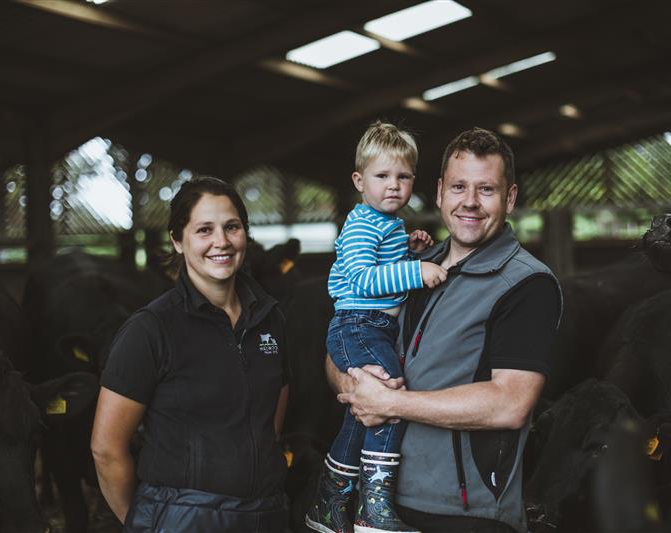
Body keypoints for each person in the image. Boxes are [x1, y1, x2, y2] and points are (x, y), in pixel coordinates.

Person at [331, 127, 562, 533]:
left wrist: (390, 403)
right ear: (439, 192)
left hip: (464, 515)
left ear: (510, 198)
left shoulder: (527, 284)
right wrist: (357, 385)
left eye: (486, 189)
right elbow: (342, 342)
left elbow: (510, 403)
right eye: (458, 187)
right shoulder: (411, 269)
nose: (469, 202)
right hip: (381, 508)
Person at [91, 177, 291, 532]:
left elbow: (269, 425)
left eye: (232, 227)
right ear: (177, 241)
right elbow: (106, 449)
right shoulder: (151, 329)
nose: (222, 242)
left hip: (265, 514)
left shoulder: (270, 318)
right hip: (183, 518)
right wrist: (144, 523)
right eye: (204, 230)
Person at [306, 121, 447, 533]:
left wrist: (411, 248)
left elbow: (384, 265)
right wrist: (415, 270)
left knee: (361, 415)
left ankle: (328, 507)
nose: (393, 186)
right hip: (358, 325)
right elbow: (365, 279)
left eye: (403, 177)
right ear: (359, 181)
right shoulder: (363, 223)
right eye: (382, 176)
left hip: (373, 327)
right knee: (388, 402)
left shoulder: (388, 224)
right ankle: (374, 509)